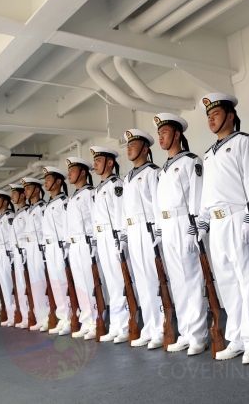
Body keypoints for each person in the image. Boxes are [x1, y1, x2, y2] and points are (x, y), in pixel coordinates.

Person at [197, 93, 249, 364]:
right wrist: (203, 221)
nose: (211, 119)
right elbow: (207, 194)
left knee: (248, 280)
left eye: (216, 113)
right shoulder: (209, 153)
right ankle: (236, 338)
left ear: (231, 116)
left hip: (238, 216)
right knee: (227, 282)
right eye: (208, 115)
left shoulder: (244, 142)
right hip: (217, 223)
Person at [153, 113, 209, 355]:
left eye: (164, 132)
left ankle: (198, 335)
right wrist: (159, 230)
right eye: (159, 133)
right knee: (177, 283)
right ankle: (186, 333)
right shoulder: (163, 169)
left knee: (192, 280)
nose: (161, 137)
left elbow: (198, 195)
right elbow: (159, 203)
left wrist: (193, 227)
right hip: (167, 226)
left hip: (184, 223)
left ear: (177, 135)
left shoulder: (190, 161)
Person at [122, 129, 164, 349]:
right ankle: (149, 328)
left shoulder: (152, 172)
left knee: (154, 279)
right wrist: (124, 235)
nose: (129, 148)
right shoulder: (127, 178)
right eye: (128, 145)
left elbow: (158, 202)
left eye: (134, 144)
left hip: (148, 228)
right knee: (141, 282)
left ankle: (161, 329)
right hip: (133, 230)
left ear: (145, 149)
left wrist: (158, 230)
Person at [90, 145, 131, 344]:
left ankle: (125, 327)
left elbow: (122, 212)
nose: (95, 164)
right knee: (111, 284)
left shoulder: (116, 184)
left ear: (110, 163)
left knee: (120, 282)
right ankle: (115, 326)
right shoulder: (98, 189)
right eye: (95, 161)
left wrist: (122, 238)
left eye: (99, 160)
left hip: (114, 235)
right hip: (102, 237)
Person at [64, 157, 99, 340]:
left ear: (83, 173)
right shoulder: (72, 198)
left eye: (73, 170)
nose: (69, 174)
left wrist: (94, 243)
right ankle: (86, 322)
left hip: (86, 242)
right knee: (79, 285)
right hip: (74, 244)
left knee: (89, 283)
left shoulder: (89, 193)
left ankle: (96, 322)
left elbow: (95, 218)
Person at [41, 166, 72, 336]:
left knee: (63, 283)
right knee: (55, 284)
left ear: (58, 182)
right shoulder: (49, 204)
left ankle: (70, 318)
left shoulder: (64, 202)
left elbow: (67, 225)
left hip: (60, 246)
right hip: (49, 247)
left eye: (48, 179)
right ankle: (62, 318)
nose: (45, 182)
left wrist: (66, 246)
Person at [20, 177, 49, 331]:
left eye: (28, 188)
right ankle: (41, 317)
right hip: (30, 248)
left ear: (37, 190)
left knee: (43, 283)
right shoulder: (30, 210)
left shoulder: (42, 207)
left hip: (39, 248)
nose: (25, 191)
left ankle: (49, 316)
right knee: (35, 284)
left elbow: (46, 229)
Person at [0, 189, 16, 327]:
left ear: (5, 202)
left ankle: (17, 313)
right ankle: (11, 315)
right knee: (4, 286)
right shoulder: (0, 218)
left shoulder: (9, 216)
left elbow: (12, 238)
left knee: (10, 285)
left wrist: (12, 256)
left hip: (7, 253)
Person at [8, 183, 31, 329]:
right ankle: (25, 316)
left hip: (25, 250)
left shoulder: (27, 212)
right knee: (20, 286)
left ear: (22, 195)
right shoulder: (17, 214)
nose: (12, 197)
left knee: (29, 284)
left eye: (15, 194)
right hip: (16, 252)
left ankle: (33, 314)